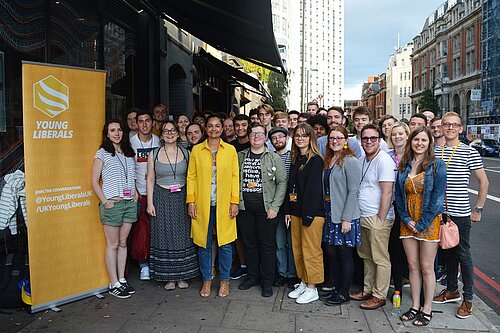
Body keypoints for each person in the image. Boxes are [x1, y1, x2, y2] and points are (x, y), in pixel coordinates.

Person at [432, 112, 489, 320]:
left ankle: (468, 298)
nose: (450, 128)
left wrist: (479, 209)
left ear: (461, 128)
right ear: (441, 127)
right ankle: (451, 290)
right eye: (446, 124)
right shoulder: (436, 151)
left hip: (461, 213)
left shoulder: (469, 152)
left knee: (463, 255)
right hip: (441, 213)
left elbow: (484, 182)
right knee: (448, 252)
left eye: (454, 125)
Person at [394, 126, 446, 326]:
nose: (419, 143)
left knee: (426, 267)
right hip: (408, 222)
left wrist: (422, 223)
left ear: (429, 143)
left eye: (424, 140)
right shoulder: (404, 165)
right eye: (416, 140)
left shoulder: (437, 165)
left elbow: (438, 198)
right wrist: (407, 220)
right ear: (411, 142)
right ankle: (415, 306)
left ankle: (427, 308)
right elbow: (399, 196)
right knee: (413, 266)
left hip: (428, 222)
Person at [187, 114, 240, 298]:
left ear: (222, 129)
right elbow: (191, 177)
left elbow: (235, 177)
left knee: (225, 243)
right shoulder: (197, 150)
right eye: (210, 126)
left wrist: (235, 201)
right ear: (205, 129)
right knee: (204, 243)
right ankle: (207, 280)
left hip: (224, 204)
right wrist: (191, 201)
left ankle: (224, 281)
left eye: (218, 126)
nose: (214, 129)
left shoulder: (230, 150)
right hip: (203, 204)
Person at [146, 121, 199, 290]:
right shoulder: (153, 154)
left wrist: (193, 201)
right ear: (161, 135)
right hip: (161, 197)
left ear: (178, 133)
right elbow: (150, 179)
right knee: (164, 235)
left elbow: (193, 178)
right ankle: (169, 277)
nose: (169, 133)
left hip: (182, 197)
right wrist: (149, 203)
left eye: (173, 130)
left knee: (183, 236)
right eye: (166, 131)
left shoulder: (187, 152)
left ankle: (182, 276)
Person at [237, 123, 287, 297]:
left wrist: (275, 207)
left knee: (267, 246)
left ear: (265, 136)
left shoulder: (274, 158)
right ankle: (252, 277)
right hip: (245, 209)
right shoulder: (240, 156)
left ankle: (267, 282)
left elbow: (282, 183)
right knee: (250, 245)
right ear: (248, 136)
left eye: (259, 133)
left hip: (266, 210)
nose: (256, 136)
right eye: (252, 133)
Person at [350, 124, 395, 310]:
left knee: (380, 258)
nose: (368, 142)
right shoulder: (362, 159)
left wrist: (380, 219)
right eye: (365, 138)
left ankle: (379, 295)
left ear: (379, 140)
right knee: (366, 256)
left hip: (377, 217)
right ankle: (368, 289)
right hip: (363, 215)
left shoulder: (384, 160)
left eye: (373, 138)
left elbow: (387, 192)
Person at [91, 120, 137, 299]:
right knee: (113, 244)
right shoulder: (102, 153)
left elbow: (131, 177)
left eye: (119, 130)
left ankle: (122, 279)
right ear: (107, 134)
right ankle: (114, 282)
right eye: (112, 130)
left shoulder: (128, 153)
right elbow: (94, 181)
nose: (116, 133)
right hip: (113, 204)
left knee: (123, 243)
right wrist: (105, 201)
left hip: (128, 203)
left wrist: (135, 194)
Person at [321, 126, 362, 306]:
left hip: (345, 215)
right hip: (330, 213)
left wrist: (347, 219)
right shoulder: (329, 159)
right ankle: (336, 290)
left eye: (339, 138)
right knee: (331, 253)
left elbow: (353, 191)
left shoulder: (350, 161)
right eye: (332, 138)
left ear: (346, 140)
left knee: (344, 255)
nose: (335, 141)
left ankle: (344, 293)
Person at [285, 123, 325, 304]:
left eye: (304, 135)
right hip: (296, 212)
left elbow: (313, 190)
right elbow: (291, 187)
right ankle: (303, 281)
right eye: (297, 135)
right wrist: (288, 210)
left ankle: (312, 288)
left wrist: (308, 215)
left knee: (311, 251)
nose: (300, 138)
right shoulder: (296, 158)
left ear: (311, 138)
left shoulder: (315, 160)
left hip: (312, 213)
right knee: (298, 249)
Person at [129, 110, 160, 281]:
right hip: (139, 193)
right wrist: (134, 190)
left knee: (156, 230)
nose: (144, 124)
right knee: (141, 231)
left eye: (147, 120)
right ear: (136, 123)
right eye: (140, 121)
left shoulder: (159, 141)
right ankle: (143, 265)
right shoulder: (130, 143)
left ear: (152, 122)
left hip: (157, 193)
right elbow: (128, 169)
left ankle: (156, 262)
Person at [269, 127, 297, 288]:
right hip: (275, 205)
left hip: (291, 205)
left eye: (281, 136)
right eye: (274, 138)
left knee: (291, 242)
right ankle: (281, 272)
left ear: (287, 138)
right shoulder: (270, 157)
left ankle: (292, 274)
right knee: (279, 242)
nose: (278, 140)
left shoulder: (293, 156)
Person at [387, 122, 410, 297]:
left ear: (407, 135)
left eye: (401, 134)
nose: (397, 137)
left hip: (409, 209)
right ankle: (397, 288)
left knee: (409, 250)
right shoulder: (386, 156)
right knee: (394, 248)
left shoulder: (414, 157)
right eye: (394, 134)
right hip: (392, 206)